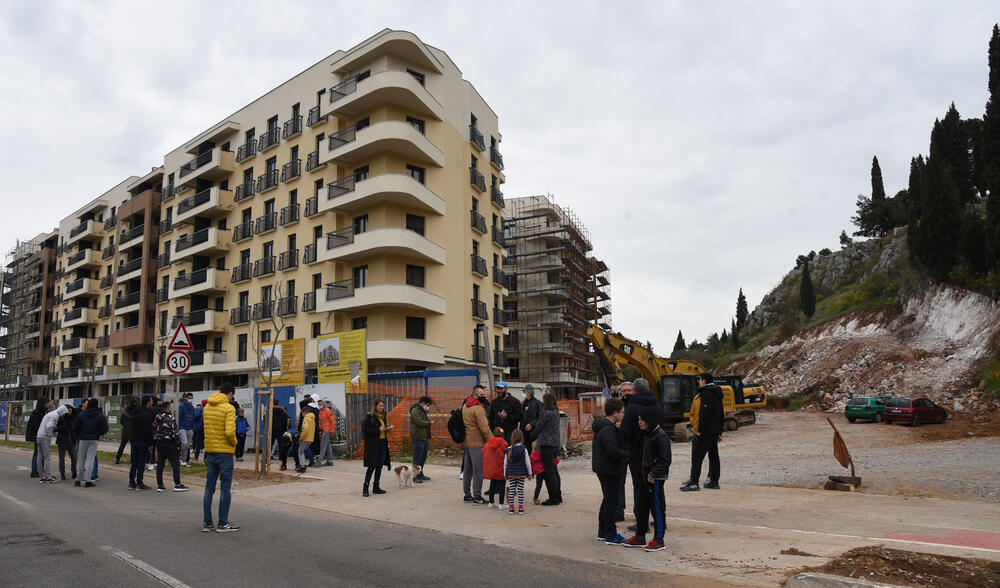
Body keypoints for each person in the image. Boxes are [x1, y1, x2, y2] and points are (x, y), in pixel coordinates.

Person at [621, 378, 663, 541]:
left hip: (637, 454)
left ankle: (641, 524)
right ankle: (660, 522)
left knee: (639, 489)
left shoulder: (632, 408)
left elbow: (625, 432)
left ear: (635, 391)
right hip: (655, 454)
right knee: (657, 489)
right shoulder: (657, 406)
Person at [203, 383, 239, 532]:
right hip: (225, 453)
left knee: (209, 488)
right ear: (230, 394)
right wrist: (235, 444)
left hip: (211, 451)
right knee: (225, 488)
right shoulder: (229, 408)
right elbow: (230, 433)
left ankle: (207, 522)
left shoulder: (207, 407)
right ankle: (223, 523)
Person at [593, 398, 629, 544]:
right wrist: (627, 455)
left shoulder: (604, 426)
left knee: (607, 500)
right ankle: (610, 534)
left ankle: (603, 531)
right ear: (615, 413)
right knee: (611, 502)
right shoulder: (608, 429)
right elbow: (612, 450)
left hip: (604, 468)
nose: (623, 415)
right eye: (622, 412)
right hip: (609, 469)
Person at [681, 373, 725, 492]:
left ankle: (694, 483)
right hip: (714, 432)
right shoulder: (717, 393)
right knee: (714, 457)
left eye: (699, 380)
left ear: (704, 381)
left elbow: (704, 414)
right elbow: (721, 413)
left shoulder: (706, 393)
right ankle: (714, 482)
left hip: (705, 432)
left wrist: (699, 430)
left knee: (697, 457)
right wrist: (720, 431)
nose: (699, 382)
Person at [636, 406, 671, 552]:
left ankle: (659, 539)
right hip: (645, 478)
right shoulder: (647, 434)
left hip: (654, 480)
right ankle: (639, 536)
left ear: (649, 420)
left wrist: (653, 474)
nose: (640, 422)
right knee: (642, 507)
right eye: (639, 420)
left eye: (642, 420)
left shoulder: (660, 436)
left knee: (657, 509)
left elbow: (665, 459)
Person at [525, 392, 562, 505]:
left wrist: (530, 437)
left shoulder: (547, 414)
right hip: (555, 444)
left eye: (544, 400)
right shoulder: (556, 412)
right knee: (554, 471)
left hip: (546, 445)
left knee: (549, 472)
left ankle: (553, 498)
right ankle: (558, 495)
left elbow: (539, 426)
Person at [461, 384, 492, 504]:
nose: (483, 397)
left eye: (484, 395)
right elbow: (484, 427)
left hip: (467, 442)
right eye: (481, 395)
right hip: (477, 442)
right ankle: (477, 496)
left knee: (467, 470)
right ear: (474, 395)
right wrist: (492, 440)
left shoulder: (465, 405)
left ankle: (467, 494)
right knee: (479, 471)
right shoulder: (478, 408)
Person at [153, 399, 189, 493]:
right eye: (170, 407)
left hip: (160, 443)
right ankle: (177, 484)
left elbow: (154, 428)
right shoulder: (170, 418)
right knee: (175, 464)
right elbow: (174, 432)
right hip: (169, 443)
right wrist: (177, 444)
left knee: (160, 464)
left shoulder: (157, 417)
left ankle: (160, 485)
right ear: (167, 408)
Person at [72, 398, 108, 488]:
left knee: (80, 459)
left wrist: (79, 434)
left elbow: (75, 427)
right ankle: (88, 480)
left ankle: (78, 480)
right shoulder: (100, 415)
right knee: (90, 459)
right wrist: (99, 433)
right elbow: (105, 428)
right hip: (94, 439)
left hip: (83, 438)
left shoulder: (81, 414)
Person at [361, 398, 391, 496]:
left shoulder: (383, 416)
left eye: (383, 406)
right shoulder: (370, 417)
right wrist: (379, 431)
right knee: (372, 466)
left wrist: (387, 429)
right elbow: (365, 431)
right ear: (375, 406)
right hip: (373, 445)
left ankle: (376, 486)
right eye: (380, 406)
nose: (382, 407)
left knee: (379, 466)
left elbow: (382, 429)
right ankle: (365, 487)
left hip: (382, 443)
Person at [616, 380, 635, 523]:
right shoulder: (616, 407)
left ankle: (638, 512)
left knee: (638, 484)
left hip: (635, 450)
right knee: (619, 482)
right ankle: (618, 511)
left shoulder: (637, 407)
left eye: (629, 390)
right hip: (621, 450)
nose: (627, 393)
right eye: (624, 391)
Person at [36, 404, 68, 483]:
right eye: (64, 413)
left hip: (39, 436)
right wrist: (50, 435)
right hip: (45, 437)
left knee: (40, 456)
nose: (63, 415)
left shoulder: (49, 414)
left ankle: (42, 476)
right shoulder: (55, 415)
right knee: (47, 457)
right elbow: (49, 426)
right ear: (62, 412)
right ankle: (48, 476)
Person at [129, 396, 154, 490]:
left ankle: (131, 482)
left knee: (134, 462)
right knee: (141, 463)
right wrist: (151, 443)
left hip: (134, 440)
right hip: (143, 441)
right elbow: (148, 430)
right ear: (147, 402)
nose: (152, 403)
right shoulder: (147, 414)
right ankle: (139, 482)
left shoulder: (135, 412)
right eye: (151, 401)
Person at [504, 428, 531, 515]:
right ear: (521, 438)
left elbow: (505, 463)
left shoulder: (508, 450)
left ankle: (511, 508)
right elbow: (528, 462)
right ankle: (520, 508)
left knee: (511, 490)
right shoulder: (524, 449)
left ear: (512, 438)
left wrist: (505, 473)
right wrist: (530, 473)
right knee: (520, 490)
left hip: (511, 474)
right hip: (521, 474)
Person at [408, 396, 433, 482]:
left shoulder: (422, 410)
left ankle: (420, 473)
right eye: (427, 404)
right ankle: (414, 476)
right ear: (422, 402)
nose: (427, 406)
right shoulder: (415, 410)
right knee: (418, 456)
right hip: (417, 436)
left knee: (423, 456)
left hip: (424, 436)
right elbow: (419, 422)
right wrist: (430, 423)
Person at [482, 427, 508, 508]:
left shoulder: (487, 444)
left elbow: (483, 453)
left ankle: (491, 502)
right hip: (500, 467)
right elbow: (507, 452)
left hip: (491, 468)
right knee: (502, 485)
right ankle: (501, 504)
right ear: (502, 435)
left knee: (492, 484)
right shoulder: (503, 443)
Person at [25, 397, 50, 478]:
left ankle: (39, 469)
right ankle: (35, 471)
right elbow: (36, 425)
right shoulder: (37, 413)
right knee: (37, 453)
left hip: (40, 435)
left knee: (40, 453)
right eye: (47, 402)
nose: (49, 404)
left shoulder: (43, 412)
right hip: (37, 436)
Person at [271, 398, 298, 471]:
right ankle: (283, 464)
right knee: (282, 448)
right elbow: (288, 423)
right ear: (278, 403)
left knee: (270, 446)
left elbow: (265, 421)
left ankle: (266, 460)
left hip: (272, 431)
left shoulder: (270, 411)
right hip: (282, 432)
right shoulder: (283, 411)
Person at [56, 405, 77, 481]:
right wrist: (63, 425)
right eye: (68, 411)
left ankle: (74, 472)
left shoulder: (73, 418)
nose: (69, 412)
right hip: (61, 441)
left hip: (70, 440)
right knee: (61, 458)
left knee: (73, 458)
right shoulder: (60, 418)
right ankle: (62, 474)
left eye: (70, 411)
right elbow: (56, 428)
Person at [297, 400, 316, 474]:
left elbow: (305, 429)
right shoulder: (312, 419)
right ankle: (303, 465)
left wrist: (301, 437)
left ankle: (302, 466)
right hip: (310, 438)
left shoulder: (306, 418)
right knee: (302, 451)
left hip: (305, 438)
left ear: (304, 412)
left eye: (302, 413)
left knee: (300, 451)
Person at [317, 399, 336, 467]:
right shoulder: (321, 411)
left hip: (327, 430)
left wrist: (332, 431)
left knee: (323, 446)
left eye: (320, 404)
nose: (319, 405)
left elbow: (332, 421)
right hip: (324, 430)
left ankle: (319, 461)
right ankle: (330, 461)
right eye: (318, 404)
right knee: (327, 446)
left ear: (324, 404)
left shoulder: (327, 411)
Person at [115, 397, 134, 464]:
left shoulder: (124, 412)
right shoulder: (135, 412)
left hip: (125, 431)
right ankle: (132, 460)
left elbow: (121, 421)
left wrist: (125, 425)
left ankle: (117, 458)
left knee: (122, 445)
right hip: (133, 432)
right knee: (133, 447)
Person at [177, 393, 195, 466]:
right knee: (184, 443)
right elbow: (180, 417)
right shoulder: (181, 406)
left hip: (190, 428)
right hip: (183, 427)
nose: (191, 399)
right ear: (186, 398)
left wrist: (192, 428)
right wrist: (180, 427)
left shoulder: (192, 408)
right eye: (189, 398)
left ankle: (183, 461)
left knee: (187, 446)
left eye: (192, 398)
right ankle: (179, 457)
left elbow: (193, 418)